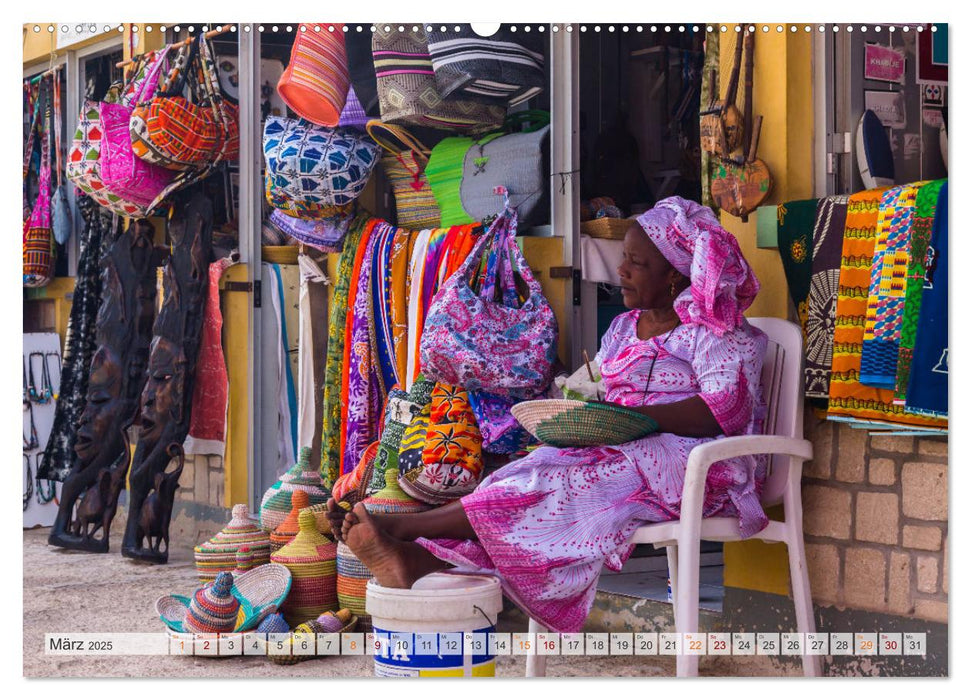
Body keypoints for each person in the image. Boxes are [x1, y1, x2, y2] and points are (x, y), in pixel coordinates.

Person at [327, 196, 768, 633]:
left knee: (557, 484)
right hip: (623, 450)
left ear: (675, 274)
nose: (622, 271)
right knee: (527, 471)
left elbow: (724, 409)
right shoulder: (622, 327)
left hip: (696, 466)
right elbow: (605, 389)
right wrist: (582, 403)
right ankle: (418, 558)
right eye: (623, 259)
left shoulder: (717, 332)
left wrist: (640, 419)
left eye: (637, 263)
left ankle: (404, 529)